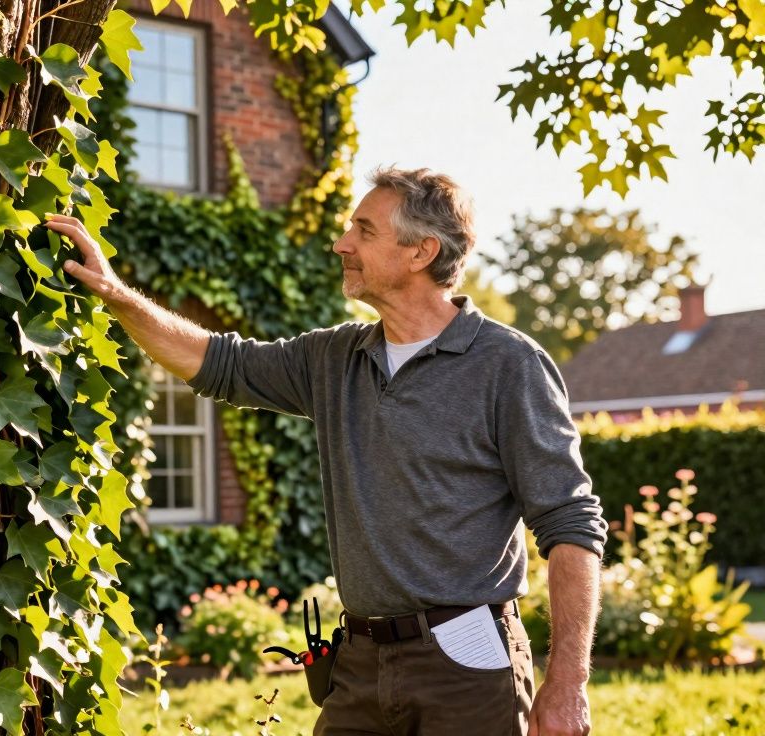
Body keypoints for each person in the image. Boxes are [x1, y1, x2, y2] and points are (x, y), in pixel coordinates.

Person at [45, 166, 607, 736]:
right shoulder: (335, 358)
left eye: (364, 230)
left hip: (467, 657)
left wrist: (568, 683)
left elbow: (570, 522)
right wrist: (114, 295)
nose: (342, 243)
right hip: (360, 660)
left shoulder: (508, 364)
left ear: (421, 252)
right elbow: (219, 363)